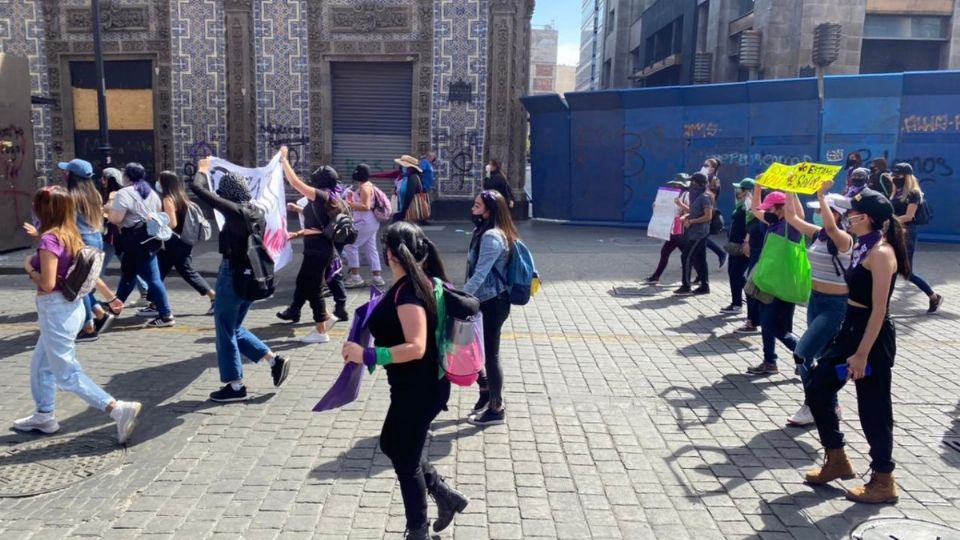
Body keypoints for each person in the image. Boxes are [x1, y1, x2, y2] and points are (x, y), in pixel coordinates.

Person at [342, 222, 469, 539]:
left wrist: (367, 355)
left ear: (389, 254)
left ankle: (418, 531)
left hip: (419, 389)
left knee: (406, 459)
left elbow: (416, 347)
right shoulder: (413, 284)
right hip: (416, 387)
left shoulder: (409, 293)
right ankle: (444, 495)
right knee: (392, 443)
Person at [803, 187, 909, 505]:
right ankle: (836, 458)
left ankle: (884, 479)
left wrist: (862, 353)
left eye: (852, 212)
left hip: (872, 338)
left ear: (866, 218)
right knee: (818, 386)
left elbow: (879, 310)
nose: (848, 216)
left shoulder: (881, 253)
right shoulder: (863, 246)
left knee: (873, 409)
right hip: (850, 329)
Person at [14, 186, 141, 443]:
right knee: (41, 366)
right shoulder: (70, 234)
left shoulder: (49, 240)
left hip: (55, 310)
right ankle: (44, 414)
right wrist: (111, 297)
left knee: (66, 373)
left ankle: (117, 408)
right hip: (69, 309)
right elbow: (88, 273)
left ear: (42, 210)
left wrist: (29, 267)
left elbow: (48, 283)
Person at [189, 158, 290, 402]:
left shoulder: (236, 213)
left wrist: (203, 169)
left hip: (233, 276)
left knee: (224, 330)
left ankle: (235, 386)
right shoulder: (257, 212)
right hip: (252, 277)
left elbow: (199, 190)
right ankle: (273, 360)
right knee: (233, 327)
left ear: (229, 195)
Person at [783, 186, 853, 426]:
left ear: (837, 214)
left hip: (835, 306)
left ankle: (812, 404)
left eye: (823, 211)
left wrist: (822, 196)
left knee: (802, 354)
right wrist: (789, 190)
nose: (818, 215)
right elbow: (792, 218)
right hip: (816, 301)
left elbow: (833, 228)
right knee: (823, 356)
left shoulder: (844, 239)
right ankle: (830, 404)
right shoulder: (819, 235)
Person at [276, 147, 343, 342]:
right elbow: (316, 224)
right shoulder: (325, 199)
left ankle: (321, 330)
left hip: (319, 250)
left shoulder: (321, 196)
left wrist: (284, 160)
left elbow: (295, 182)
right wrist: (296, 233)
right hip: (316, 248)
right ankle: (326, 320)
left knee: (314, 288)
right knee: (307, 284)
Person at [464, 190, 518, 426]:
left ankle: (496, 408)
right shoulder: (487, 231)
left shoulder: (492, 237)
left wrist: (460, 296)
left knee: (491, 355)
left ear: (489, 210)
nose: (473, 208)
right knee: (477, 349)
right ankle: (486, 392)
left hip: (492, 302)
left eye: (477, 205)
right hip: (489, 300)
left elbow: (480, 274)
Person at [105, 163, 175, 328]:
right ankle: (116, 307)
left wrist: (107, 210)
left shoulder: (124, 193)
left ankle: (165, 314)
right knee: (132, 275)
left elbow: (116, 219)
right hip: (149, 239)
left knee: (144, 277)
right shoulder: (151, 192)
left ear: (128, 176)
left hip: (134, 240)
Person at [52, 159, 115, 343]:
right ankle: (99, 314)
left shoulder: (71, 197)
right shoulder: (94, 194)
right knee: (85, 283)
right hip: (96, 239)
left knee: (80, 286)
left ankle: (89, 328)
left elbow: (69, 225)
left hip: (80, 242)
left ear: (71, 176)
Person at [746, 189, 800, 376]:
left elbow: (798, 214)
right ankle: (770, 361)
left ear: (782, 207)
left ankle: (805, 354)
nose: (767, 212)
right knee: (766, 323)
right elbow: (755, 209)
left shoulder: (791, 225)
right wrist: (759, 186)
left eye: (771, 208)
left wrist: (791, 191)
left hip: (782, 283)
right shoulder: (773, 222)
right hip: (767, 280)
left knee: (775, 326)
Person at [155, 171, 216, 315]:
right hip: (183, 242)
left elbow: (172, 223)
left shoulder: (168, 199)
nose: (157, 182)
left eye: (159, 180)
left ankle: (214, 297)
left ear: (164, 183)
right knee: (172, 270)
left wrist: (156, 219)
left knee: (161, 271)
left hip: (174, 243)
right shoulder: (181, 197)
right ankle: (153, 302)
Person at [890, 163, 943, 313]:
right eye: (894, 176)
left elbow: (909, 216)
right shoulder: (896, 192)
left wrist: (889, 220)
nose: (895, 178)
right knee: (890, 268)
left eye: (898, 176)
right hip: (894, 231)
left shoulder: (913, 193)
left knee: (907, 272)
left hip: (907, 233)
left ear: (906, 176)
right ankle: (883, 303)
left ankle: (933, 296)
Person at [98, 167, 149, 307]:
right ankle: (144, 290)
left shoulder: (116, 194)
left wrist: (103, 209)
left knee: (100, 264)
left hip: (115, 236)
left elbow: (111, 213)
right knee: (130, 266)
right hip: (115, 236)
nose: (102, 181)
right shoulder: (116, 193)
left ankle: (89, 289)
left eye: (104, 178)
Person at [343, 164, 385, 288]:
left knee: (350, 245)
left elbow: (366, 206)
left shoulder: (365, 188)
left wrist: (348, 204)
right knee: (370, 248)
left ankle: (356, 276)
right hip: (371, 222)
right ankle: (377, 277)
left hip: (365, 221)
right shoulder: (368, 186)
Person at [735, 183, 769, 334]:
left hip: (764, 254)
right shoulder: (753, 214)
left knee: (753, 287)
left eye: (754, 195)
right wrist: (747, 241)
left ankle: (754, 321)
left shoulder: (768, 218)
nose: (750, 198)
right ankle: (753, 319)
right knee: (751, 286)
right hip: (755, 251)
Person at [645, 174, 690, 284]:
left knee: (687, 255)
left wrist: (680, 205)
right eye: (675, 183)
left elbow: (690, 210)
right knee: (665, 252)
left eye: (679, 184)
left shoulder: (686, 195)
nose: (676, 185)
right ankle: (656, 276)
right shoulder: (669, 194)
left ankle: (700, 277)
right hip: (671, 228)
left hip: (680, 229)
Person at [674, 173, 713, 295]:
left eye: (693, 182)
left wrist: (691, 221)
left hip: (700, 233)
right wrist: (685, 214)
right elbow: (694, 211)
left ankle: (686, 286)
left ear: (697, 183)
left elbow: (708, 216)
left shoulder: (705, 197)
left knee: (685, 256)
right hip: (694, 232)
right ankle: (704, 286)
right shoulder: (695, 196)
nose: (691, 184)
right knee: (700, 259)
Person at [720, 178, 755, 314]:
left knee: (737, 274)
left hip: (742, 245)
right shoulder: (741, 204)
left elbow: (750, 226)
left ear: (746, 191)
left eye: (740, 189)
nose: (737, 192)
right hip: (735, 244)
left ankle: (740, 303)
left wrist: (746, 242)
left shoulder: (749, 205)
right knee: (734, 273)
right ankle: (738, 302)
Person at [701, 158, 728, 269]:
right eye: (705, 165)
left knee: (702, 237)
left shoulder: (714, 180)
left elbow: (711, 196)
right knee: (699, 238)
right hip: (699, 209)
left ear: (714, 168)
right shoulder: (702, 177)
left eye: (710, 166)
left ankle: (721, 254)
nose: (707, 168)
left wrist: (703, 186)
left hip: (708, 210)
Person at [395, 155, 425, 222]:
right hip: (402, 209)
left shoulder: (413, 178)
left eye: (403, 166)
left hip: (409, 211)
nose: (402, 167)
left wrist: (403, 212)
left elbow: (409, 195)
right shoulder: (405, 177)